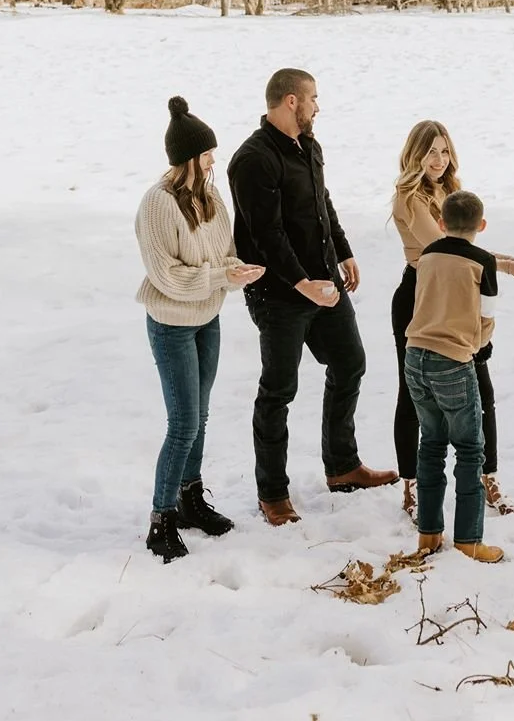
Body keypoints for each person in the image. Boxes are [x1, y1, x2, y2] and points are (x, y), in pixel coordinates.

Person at [228, 68, 398, 525]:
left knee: (350, 363)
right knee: (279, 391)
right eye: (313, 99)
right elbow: (266, 234)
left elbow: (322, 202)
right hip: (278, 293)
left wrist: (342, 251)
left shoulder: (309, 145)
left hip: (323, 281)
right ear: (290, 101)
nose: (318, 106)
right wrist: (300, 282)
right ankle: (273, 494)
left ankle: (342, 467)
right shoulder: (253, 160)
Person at [135, 96, 264, 563]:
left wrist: (237, 270)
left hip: (206, 320)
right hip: (171, 325)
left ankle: (190, 500)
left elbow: (223, 253)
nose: (214, 161)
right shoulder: (156, 205)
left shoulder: (210, 200)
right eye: (207, 154)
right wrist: (220, 278)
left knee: (200, 416)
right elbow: (165, 275)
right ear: (188, 158)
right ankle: (161, 519)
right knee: (184, 421)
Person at [391, 120, 514, 519]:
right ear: (415, 155)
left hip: (460, 292)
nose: (439, 160)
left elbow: (466, 246)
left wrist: (500, 265)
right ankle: (413, 485)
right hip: (421, 296)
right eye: (431, 152)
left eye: (444, 151)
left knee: (481, 388)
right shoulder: (408, 196)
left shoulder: (450, 190)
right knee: (414, 394)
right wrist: (503, 265)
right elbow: (444, 248)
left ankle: (487, 478)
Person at [405, 189, 514, 564]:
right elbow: (486, 316)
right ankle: (469, 538)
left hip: (414, 355)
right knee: (469, 449)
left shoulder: (428, 255)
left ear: (442, 224)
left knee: (430, 443)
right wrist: (474, 346)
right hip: (453, 361)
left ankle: (429, 534)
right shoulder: (483, 263)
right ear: (481, 226)